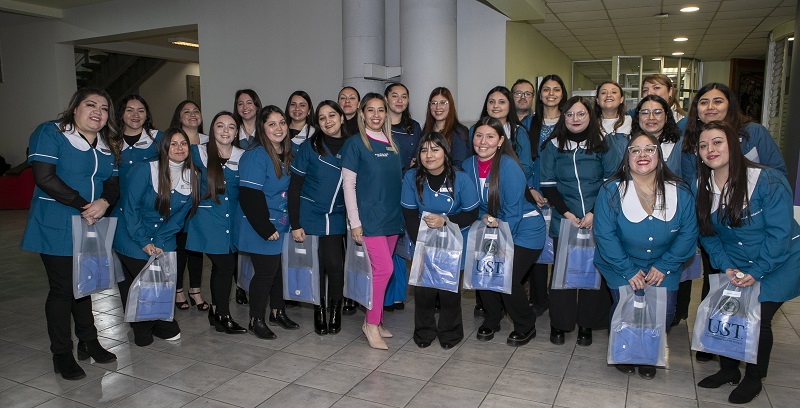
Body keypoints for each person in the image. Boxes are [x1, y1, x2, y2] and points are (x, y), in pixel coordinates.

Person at [694, 120, 800, 404]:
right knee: (729, 314)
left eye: (717, 142)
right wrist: (725, 265)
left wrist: (757, 271)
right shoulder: (702, 185)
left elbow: (780, 233)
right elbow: (707, 235)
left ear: (734, 144)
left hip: (780, 260)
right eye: (703, 145)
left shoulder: (767, 180)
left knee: (759, 319)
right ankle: (728, 371)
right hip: (735, 262)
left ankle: (754, 378)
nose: (710, 149)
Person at [21, 88, 121, 380]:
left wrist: (103, 203)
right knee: (63, 290)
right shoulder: (50, 133)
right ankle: (61, 353)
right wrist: (84, 205)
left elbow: (112, 184)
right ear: (74, 108)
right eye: (90, 105)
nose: (98, 112)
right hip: (57, 223)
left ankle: (89, 342)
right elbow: (44, 177)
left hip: (91, 223)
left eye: (104, 108)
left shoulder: (106, 143)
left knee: (86, 285)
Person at [681, 83, 787, 355]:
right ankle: (717, 346)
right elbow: (691, 193)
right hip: (720, 232)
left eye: (718, 101)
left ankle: (751, 373)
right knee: (718, 286)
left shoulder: (755, 137)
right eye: (704, 102)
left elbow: (777, 177)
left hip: (759, 234)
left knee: (757, 312)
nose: (711, 107)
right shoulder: (691, 141)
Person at [594, 132, 698, 380]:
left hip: (665, 264)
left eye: (649, 149)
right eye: (635, 150)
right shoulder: (610, 190)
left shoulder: (680, 191)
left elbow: (688, 233)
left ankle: (649, 354)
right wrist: (628, 270)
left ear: (659, 157)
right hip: (619, 262)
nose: (642, 155)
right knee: (626, 305)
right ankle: (625, 350)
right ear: (626, 157)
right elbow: (605, 235)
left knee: (665, 311)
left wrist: (665, 266)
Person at [539, 96, 617, 347]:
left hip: (597, 219)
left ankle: (587, 324)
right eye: (570, 114)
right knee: (563, 273)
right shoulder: (552, 145)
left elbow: (611, 182)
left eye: (581, 114)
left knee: (592, 271)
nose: (575, 119)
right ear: (563, 117)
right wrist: (568, 214)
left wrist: (594, 212)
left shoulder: (603, 143)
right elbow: (548, 185)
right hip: (565, 219)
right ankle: (559, 324)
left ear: (590, 116)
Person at [463, 117, 546, 347]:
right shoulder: (468, 165)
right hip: (492, 225)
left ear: (500, 141)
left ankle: (526, 324)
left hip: (524, 230)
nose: (483, 141)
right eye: (479, 135)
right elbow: (472, 204)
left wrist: (499, 240)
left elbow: (512, 212)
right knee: (485, 270)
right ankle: (492, 317)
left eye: (490, 136)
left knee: (506, 276)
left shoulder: (509, 166)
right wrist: (483, 216)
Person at [113, 127, 200, 347]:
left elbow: (179, 218)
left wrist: (159, 242)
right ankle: (142, 326)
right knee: (143, 275)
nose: (179, 148)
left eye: (183, 144)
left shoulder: (193, 176)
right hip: (130, 232)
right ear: (164, 147)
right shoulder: (146, 169)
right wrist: (144, 241)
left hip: (163, 234)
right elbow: (130, 208)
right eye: (173, 144)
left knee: (163, 276)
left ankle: (158, 320)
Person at [401, 132, 479, 349]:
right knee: (424, 291)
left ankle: (450, 333)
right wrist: (421, 245)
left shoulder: (461, 178)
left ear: (445, 152)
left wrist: (445, 220)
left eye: (435, 149)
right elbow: (408, 214)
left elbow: (471, 213)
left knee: (448, 292)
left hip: (453, 241)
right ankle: (424, 332)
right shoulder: (411, 178)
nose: (429, 155)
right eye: (424, 150)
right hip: (423, 241)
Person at [341, 92, 404, 350]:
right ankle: (370, 323)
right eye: (371, 110)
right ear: (362, 114)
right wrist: (354, 222)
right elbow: (349, 185)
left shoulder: (391, 142)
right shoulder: (356, 144)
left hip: (391, 217)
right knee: (384, 270)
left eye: (381, 110)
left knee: (379, 274)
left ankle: (376, 320)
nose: (376, 115)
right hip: (369, 219)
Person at [236, 106, 300, 340]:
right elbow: (249, 197)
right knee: (266, 273)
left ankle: (277, 311)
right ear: (262, 128)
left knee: (277, 271)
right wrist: (265, 228)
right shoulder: (256, 155)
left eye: (282, 122)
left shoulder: (288, 153)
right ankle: (256, 319)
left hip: (280, 223)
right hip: (260, 224)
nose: (279, 128)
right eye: (271, 124)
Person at [288, 100, 350, 335]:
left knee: (335, 265)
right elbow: (295, 187)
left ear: (341, 118)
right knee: (315, 266)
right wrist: (295, 223)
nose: (328, 121)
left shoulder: (353, 145)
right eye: (322, 118)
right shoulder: (309, 147)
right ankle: (319, 309)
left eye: (332, 115)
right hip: (309, 214)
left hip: (336, 215)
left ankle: (335, 309)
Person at [185, 112, 247, 334]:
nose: (225, 131)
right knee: (225, 266)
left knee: (221, 268)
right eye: (220, 126)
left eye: (231, 127)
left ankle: (215, 311)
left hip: (232, 222)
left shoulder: (243, 156)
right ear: (212, 130)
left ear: (237, 132)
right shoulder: (198, 153)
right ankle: (224, 315)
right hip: (207, 221)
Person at [526, 74, 567, 315]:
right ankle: (540, 299)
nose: (551, 93)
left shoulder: (570, 122)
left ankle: (560, 299)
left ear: (563, 94)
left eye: (556, 89)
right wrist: (530, 190)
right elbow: (525, 160)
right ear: (540, 95)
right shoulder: (530, 124)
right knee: (537, 247)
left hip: (561, 194)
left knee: (561, 249)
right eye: (546, 89)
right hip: (534, 192)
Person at [384, 82, 422, 312]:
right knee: (386, 244)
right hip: (384, 191)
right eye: (394, 96)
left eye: (404, 96)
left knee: (401, 244)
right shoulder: (378, 124)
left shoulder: (414, 127)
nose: (399, 100)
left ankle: (398, 296)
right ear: (386, 99)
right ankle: (386, 297)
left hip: (406, 189)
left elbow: (418, 158)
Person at [169, 100, 208, 311]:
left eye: (196, 111)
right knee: (180, 248)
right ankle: (177, 291)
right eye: (186, 111)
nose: (192, 114)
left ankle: (195, 290)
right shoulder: (173, 139)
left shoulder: (208, 140)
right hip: (179, 201)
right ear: (179, 116)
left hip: (202, 204)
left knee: (196, 248)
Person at [232, 89, 263, 305]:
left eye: (249, 102)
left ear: (257, 105)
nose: (245, 107)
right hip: (235, 193)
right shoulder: (231, 133)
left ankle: (257, 284)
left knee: (256, 242)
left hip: (260, 194)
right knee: (239, 243)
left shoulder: (265, 132)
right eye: (240, 103)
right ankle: (240, 285)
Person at [470, 86, 534, 187]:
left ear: (510, 106)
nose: (495, 106)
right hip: (479, 185)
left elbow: (526, 167)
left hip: (511, 185)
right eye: (491, 102)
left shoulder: (518, 132)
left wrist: (502, 181)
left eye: (501, 102)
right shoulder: (474, 130)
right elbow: (470, 161)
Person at [114, 95, 161, 207]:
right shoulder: (111, 142)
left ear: (146, 115)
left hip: (150, 208)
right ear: (121, 114)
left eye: (140, 111)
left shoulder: (159, 138)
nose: (135, 115)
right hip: (120, 206)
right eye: (129, 110)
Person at [630, 95, 682, 177]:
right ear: (638, 117)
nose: (651, 117)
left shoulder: (681, 145)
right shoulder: (626, 144)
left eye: (657, 112)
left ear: (666, 117)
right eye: (645, 113)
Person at [421, 87, 471, 170]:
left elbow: (459, 165)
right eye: (434, 103)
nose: (438, 107)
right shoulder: (425, 132)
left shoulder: (459, 132)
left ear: (450, 105)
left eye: (443, 103)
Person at [594, 81, 631, 167]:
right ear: (597, 100)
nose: (608, 95)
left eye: (614, 92)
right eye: (603, 92)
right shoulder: (589, 124)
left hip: (625, 174)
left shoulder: (630, 121)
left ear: (621, 99)